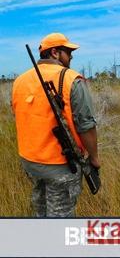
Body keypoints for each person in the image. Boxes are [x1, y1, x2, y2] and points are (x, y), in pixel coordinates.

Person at [12, 33, 100, 217]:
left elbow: (20, 116)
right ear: (55, 52)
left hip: (30, 163)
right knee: (61, 219)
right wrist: (94, 159)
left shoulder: (19, 81)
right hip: (61, 165)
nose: (71, 57)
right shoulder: (71, 79)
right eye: (68, 52)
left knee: (40, 209)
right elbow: (86, 126)